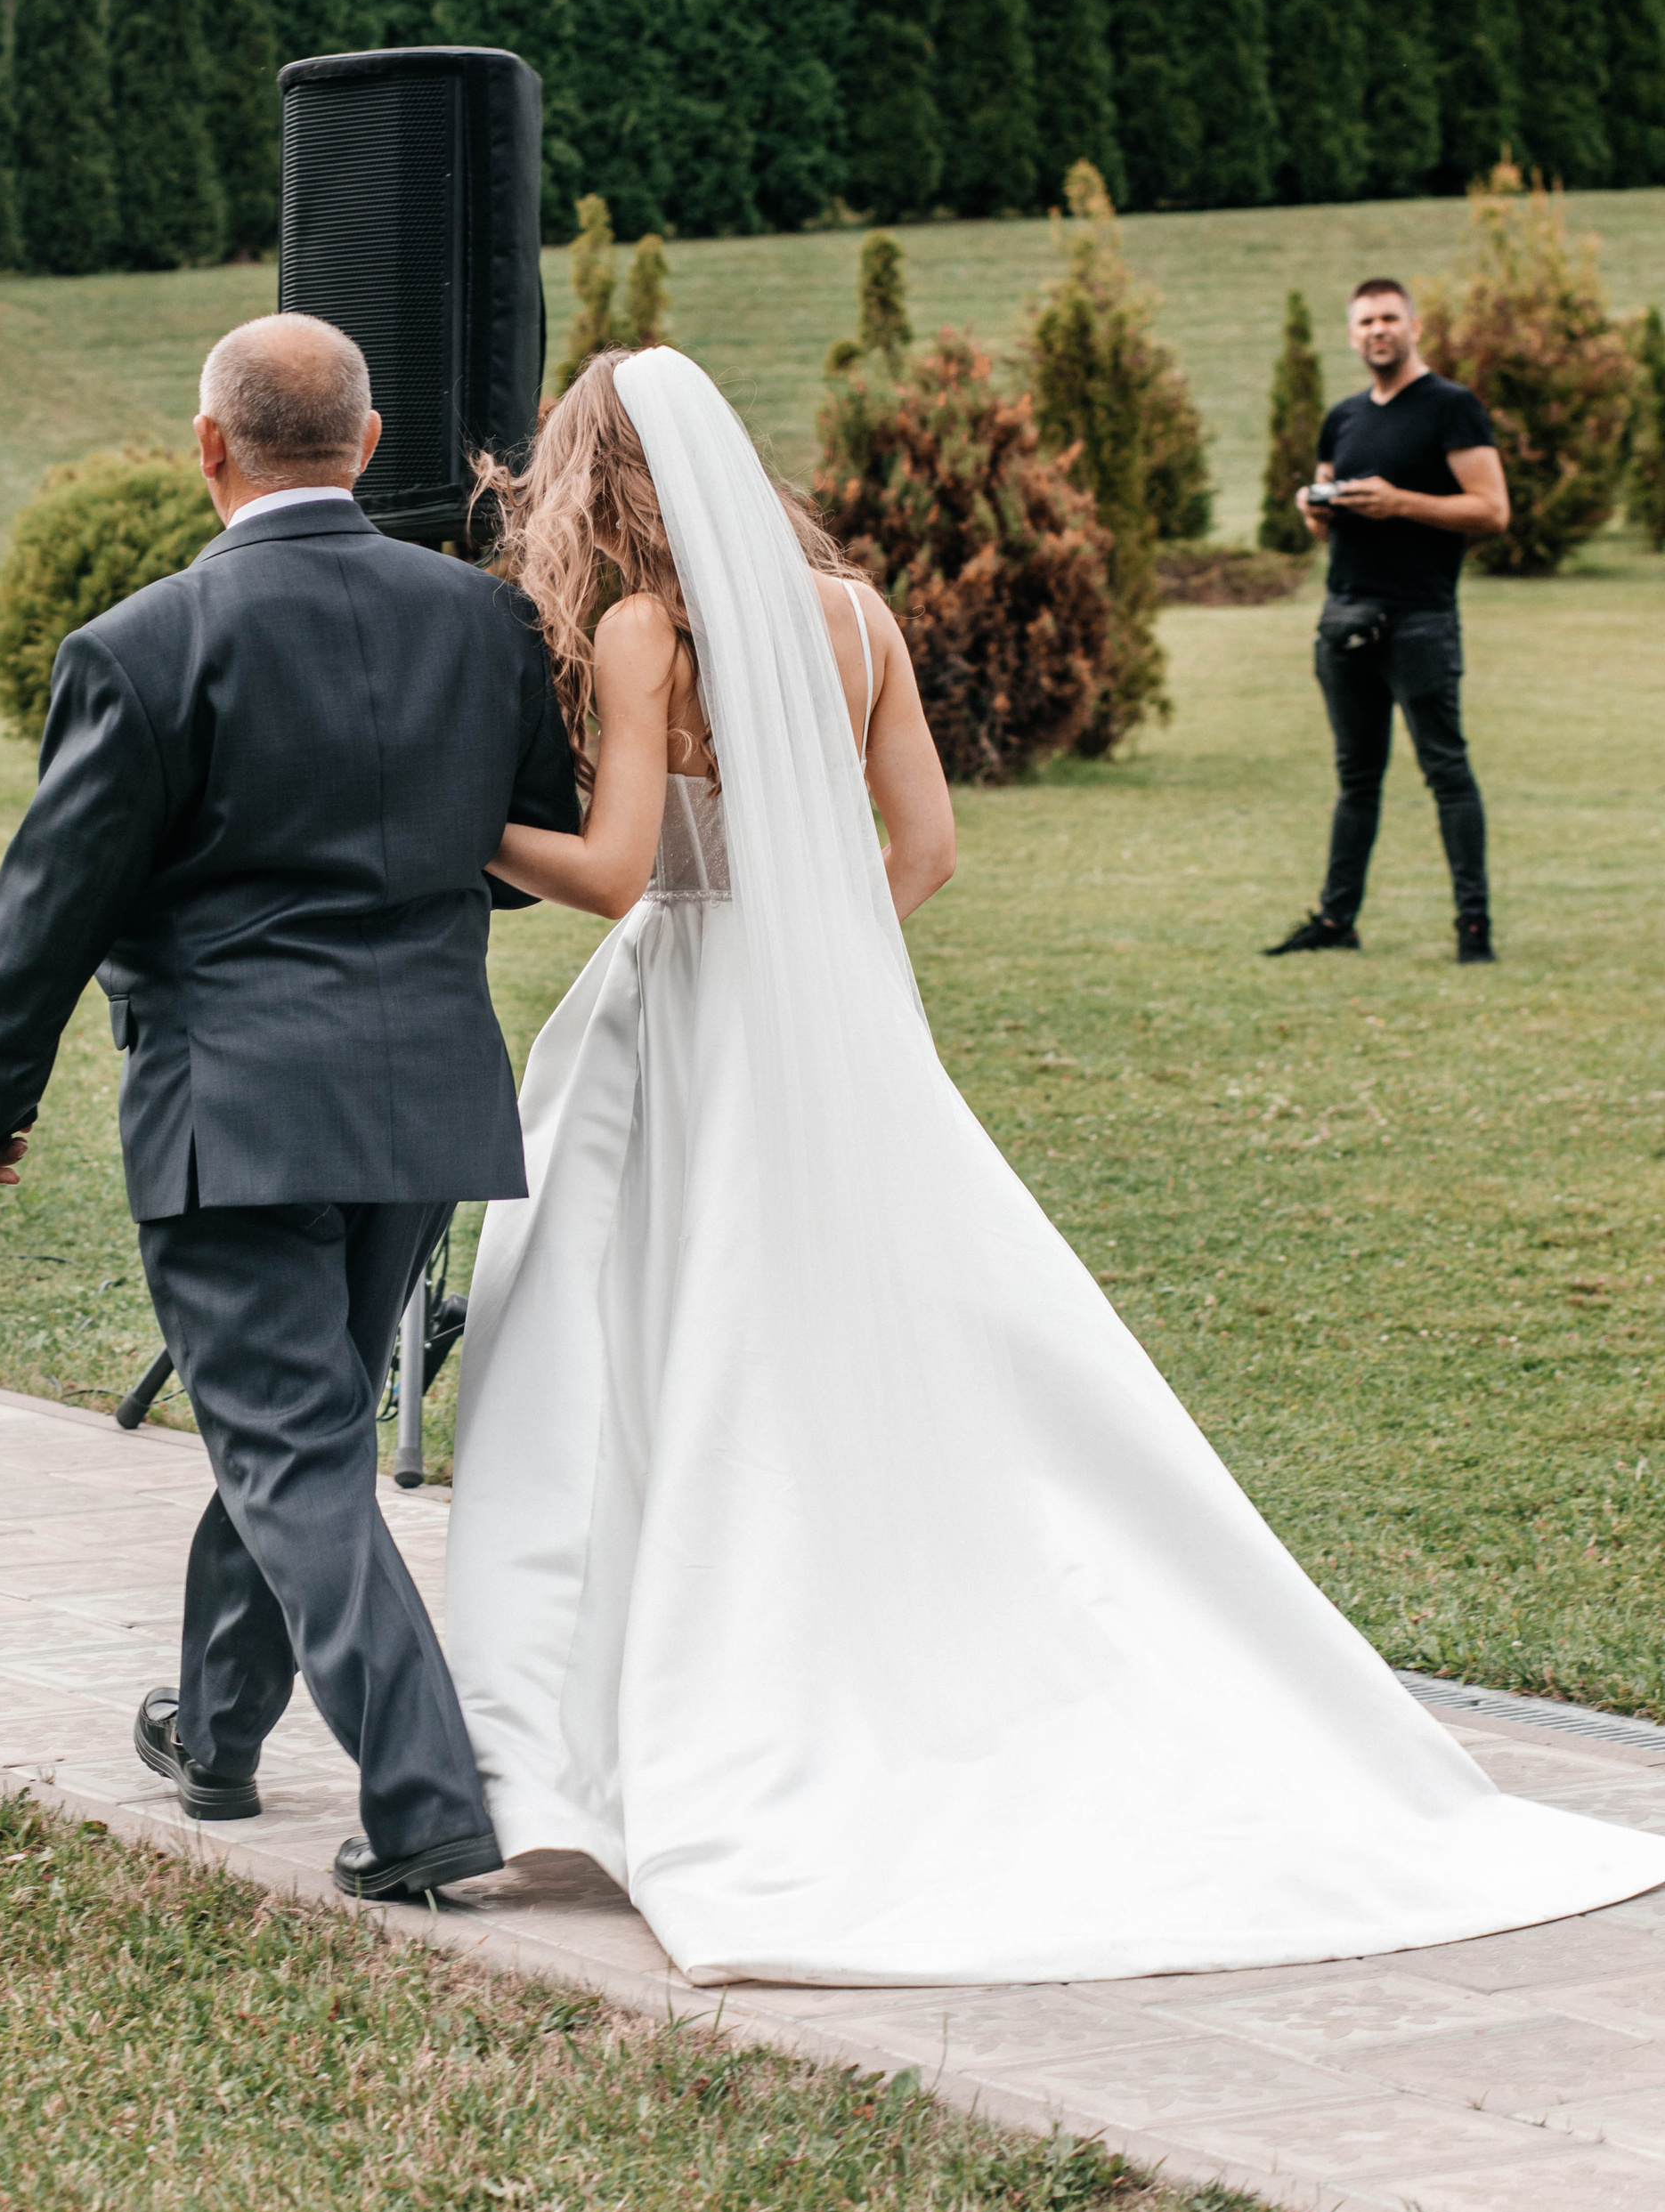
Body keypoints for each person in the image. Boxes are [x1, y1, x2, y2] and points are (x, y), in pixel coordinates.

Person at [442, 344, 1665, 1986]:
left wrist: (443, 823)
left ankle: (599, 1725)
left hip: (674, 1031)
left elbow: (609, 875)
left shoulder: (641, 627)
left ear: (601, 476)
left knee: (607, 1355)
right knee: (866, 1332)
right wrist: (813, 954)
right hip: (838, 1030)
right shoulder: (858, 615)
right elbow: (926, 853)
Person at [0, 315, 580, 1905]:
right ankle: (215, 1733)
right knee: (298, 1430)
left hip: (233, 1103)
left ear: (208, 447)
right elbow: (530, 843)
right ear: (363, 448)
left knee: (291, 1450)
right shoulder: (484, 622)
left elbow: (49, 909)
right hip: (421, 1095)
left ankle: (427, 1797)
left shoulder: (142, 645)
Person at [1266, 277, 1508, 966]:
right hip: (1345, 620)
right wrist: (1316, 510)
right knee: (1356, 778)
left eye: (1389, 318)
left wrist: (1400, 501)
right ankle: (1337, 922)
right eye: (1366, 321)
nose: (1378, 330)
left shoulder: (1452, 409)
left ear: (1414, 326)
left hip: (1421, 620)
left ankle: (1473, 930)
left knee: (1447, 771)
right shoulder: (1343, 418)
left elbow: (1492, 510)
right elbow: (1327, 527)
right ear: (1352, 334)